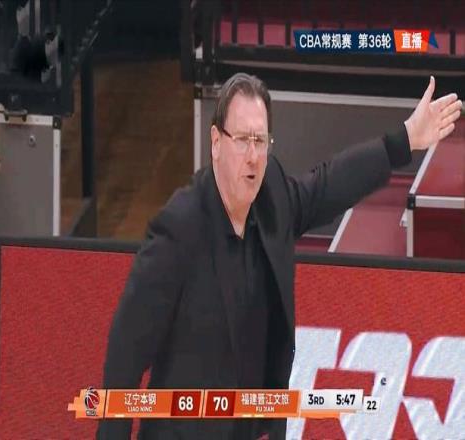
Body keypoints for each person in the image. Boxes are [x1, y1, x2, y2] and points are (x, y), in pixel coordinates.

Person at [97, 73, 461, 439]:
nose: (252, 157)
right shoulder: (180, 228)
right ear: (216, 142)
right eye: (242, 140)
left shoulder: (272, 196)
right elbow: (126, 353)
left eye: (260, 141)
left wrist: (403, 141)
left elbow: (326, 186)